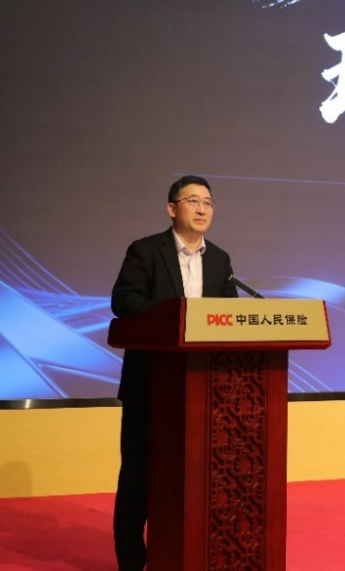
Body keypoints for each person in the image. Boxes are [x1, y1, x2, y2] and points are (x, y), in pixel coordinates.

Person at [111, 175, 238, 571]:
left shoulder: (220, 260)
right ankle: (133, 563)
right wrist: (173, 318)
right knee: (139, 476)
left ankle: (192, 555)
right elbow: (124, 300)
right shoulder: (146, 251)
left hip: (204, 391)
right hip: (151, 385)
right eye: (193, 200)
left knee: (197, 477)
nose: (202, 209)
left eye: (208, 202)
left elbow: (232, 317)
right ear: (172, 208)